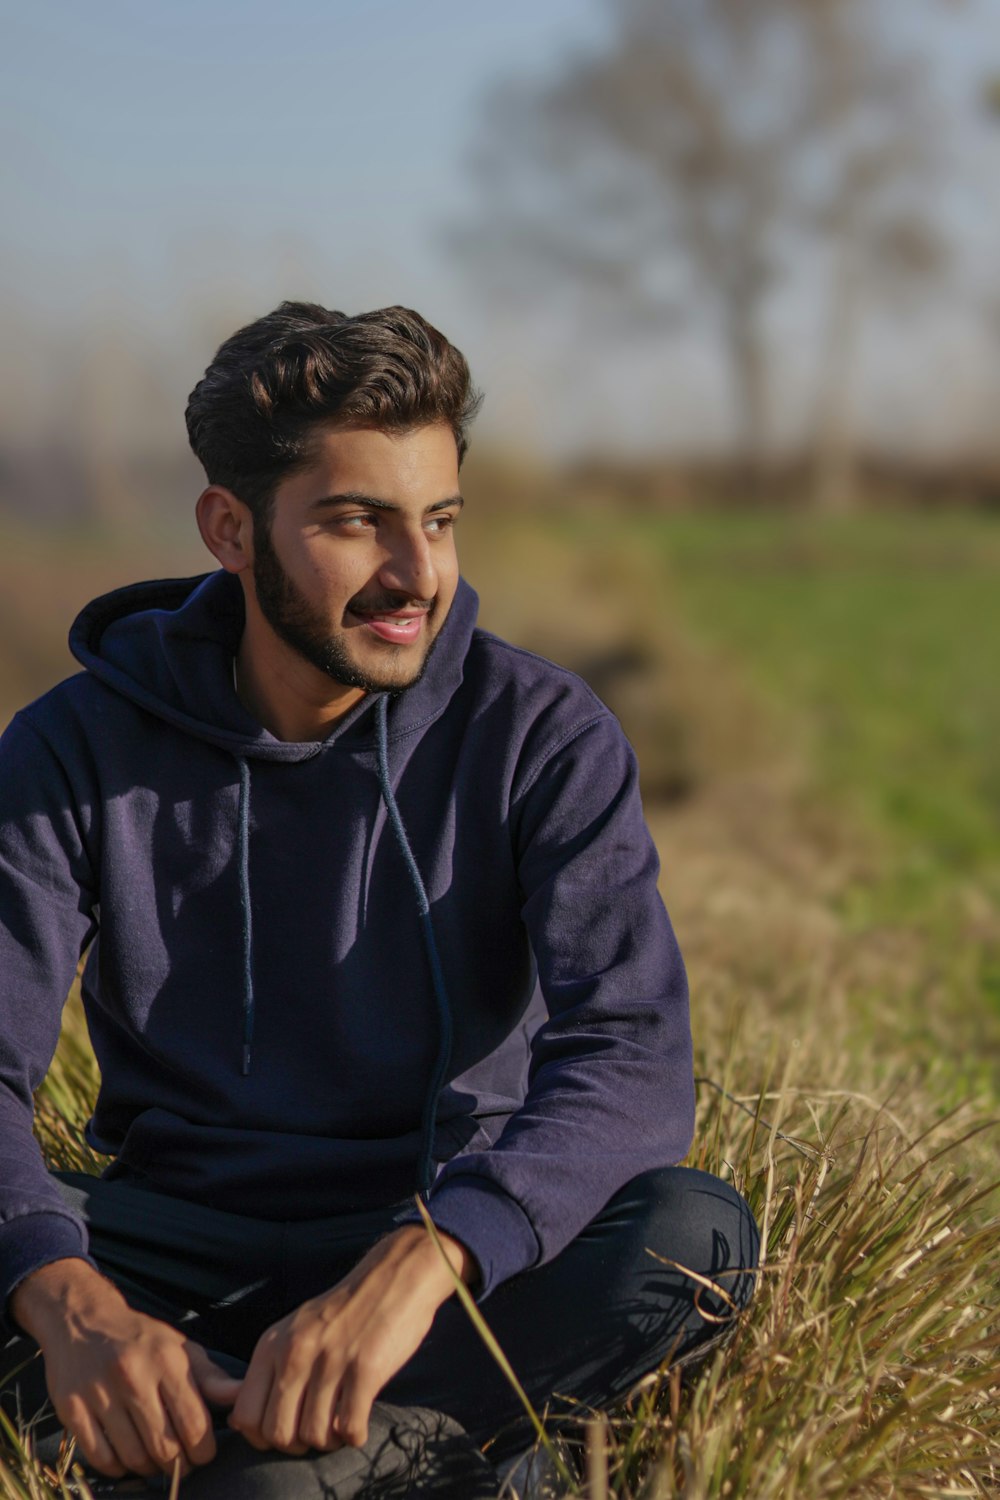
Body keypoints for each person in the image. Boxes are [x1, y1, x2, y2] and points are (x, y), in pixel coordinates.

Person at [0, 302, 759, 1497]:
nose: (417, 576)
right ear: (229, 529)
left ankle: (265, 1459)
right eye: (357, 524)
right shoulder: (70, 750)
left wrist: (426, 1260)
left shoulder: (541, 736)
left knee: (690, 1238)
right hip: (180, 1244)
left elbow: (630, 1057)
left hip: (439, 1252)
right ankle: (395, 1452)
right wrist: (68, 1302)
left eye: (441, 521)